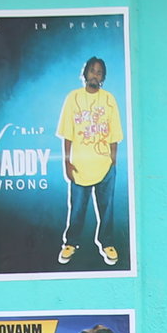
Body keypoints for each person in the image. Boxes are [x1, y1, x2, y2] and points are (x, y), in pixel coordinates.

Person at [56, 57, 122, 267]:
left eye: (99, 72)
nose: (95, 74)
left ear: (103, 77)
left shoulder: (109, 99)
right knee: (77, 208)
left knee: (107, 208)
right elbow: (67, 134)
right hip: (79, 165)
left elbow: (115, 133)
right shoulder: (73, 98)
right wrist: (66, 162)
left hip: (105, 166)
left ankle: (107, 243)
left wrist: (113, 161)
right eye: (92, 71)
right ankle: (71, 243)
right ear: (85, 73)